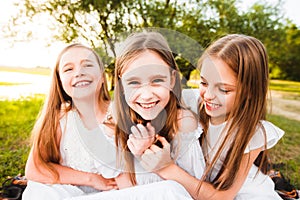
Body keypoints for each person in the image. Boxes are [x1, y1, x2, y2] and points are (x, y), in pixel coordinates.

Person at [139, 34, 284, 199]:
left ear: (250, 91)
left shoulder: (252, 133)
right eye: (204, 83)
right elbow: (149, 102)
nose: (208, 95)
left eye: (223, 89)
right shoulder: (192, 100)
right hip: (199, 187)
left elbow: (221, 197)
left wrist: (166, 168)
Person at [65, 31, 205, 200]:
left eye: (157, 80)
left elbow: (193, 192)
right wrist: (139, 154)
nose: (146, 95)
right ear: (122, 85)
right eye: (134, 82)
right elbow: (129, 192)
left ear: (172, 79)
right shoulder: (112, 128)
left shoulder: (183, 122)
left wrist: (159, 161)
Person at [22, 43, 120, 200]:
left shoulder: (120, 114)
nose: (79, 73)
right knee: (40, 192)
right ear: (60, 81)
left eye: (87, 65)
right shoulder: (61, 118)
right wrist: (91, 179)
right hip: (70, 193)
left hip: (117, 194)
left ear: (102, 76)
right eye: (68, 69)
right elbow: (35, 169)